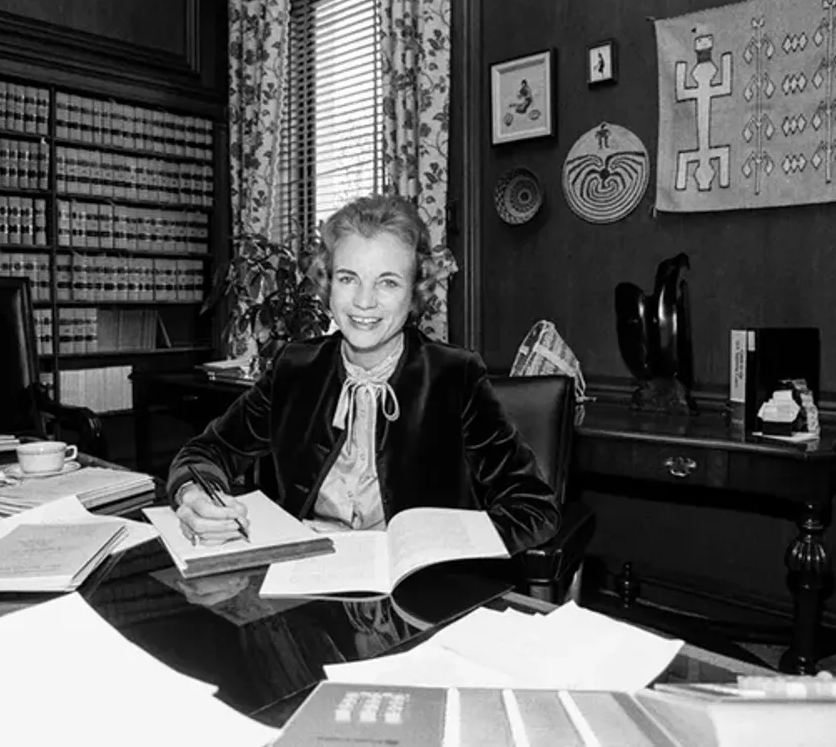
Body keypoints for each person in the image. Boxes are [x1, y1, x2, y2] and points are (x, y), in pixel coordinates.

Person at [168, 194, 559, 554]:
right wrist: (194, 494)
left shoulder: (455, 377)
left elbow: (533, 509)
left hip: (416, 591)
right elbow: (207, 451)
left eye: (387, 282)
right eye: (348, 278)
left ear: (415, 291)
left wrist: (430, 546)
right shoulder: (295, 368)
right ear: (327, 282)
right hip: (304, 586)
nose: (364, 301)